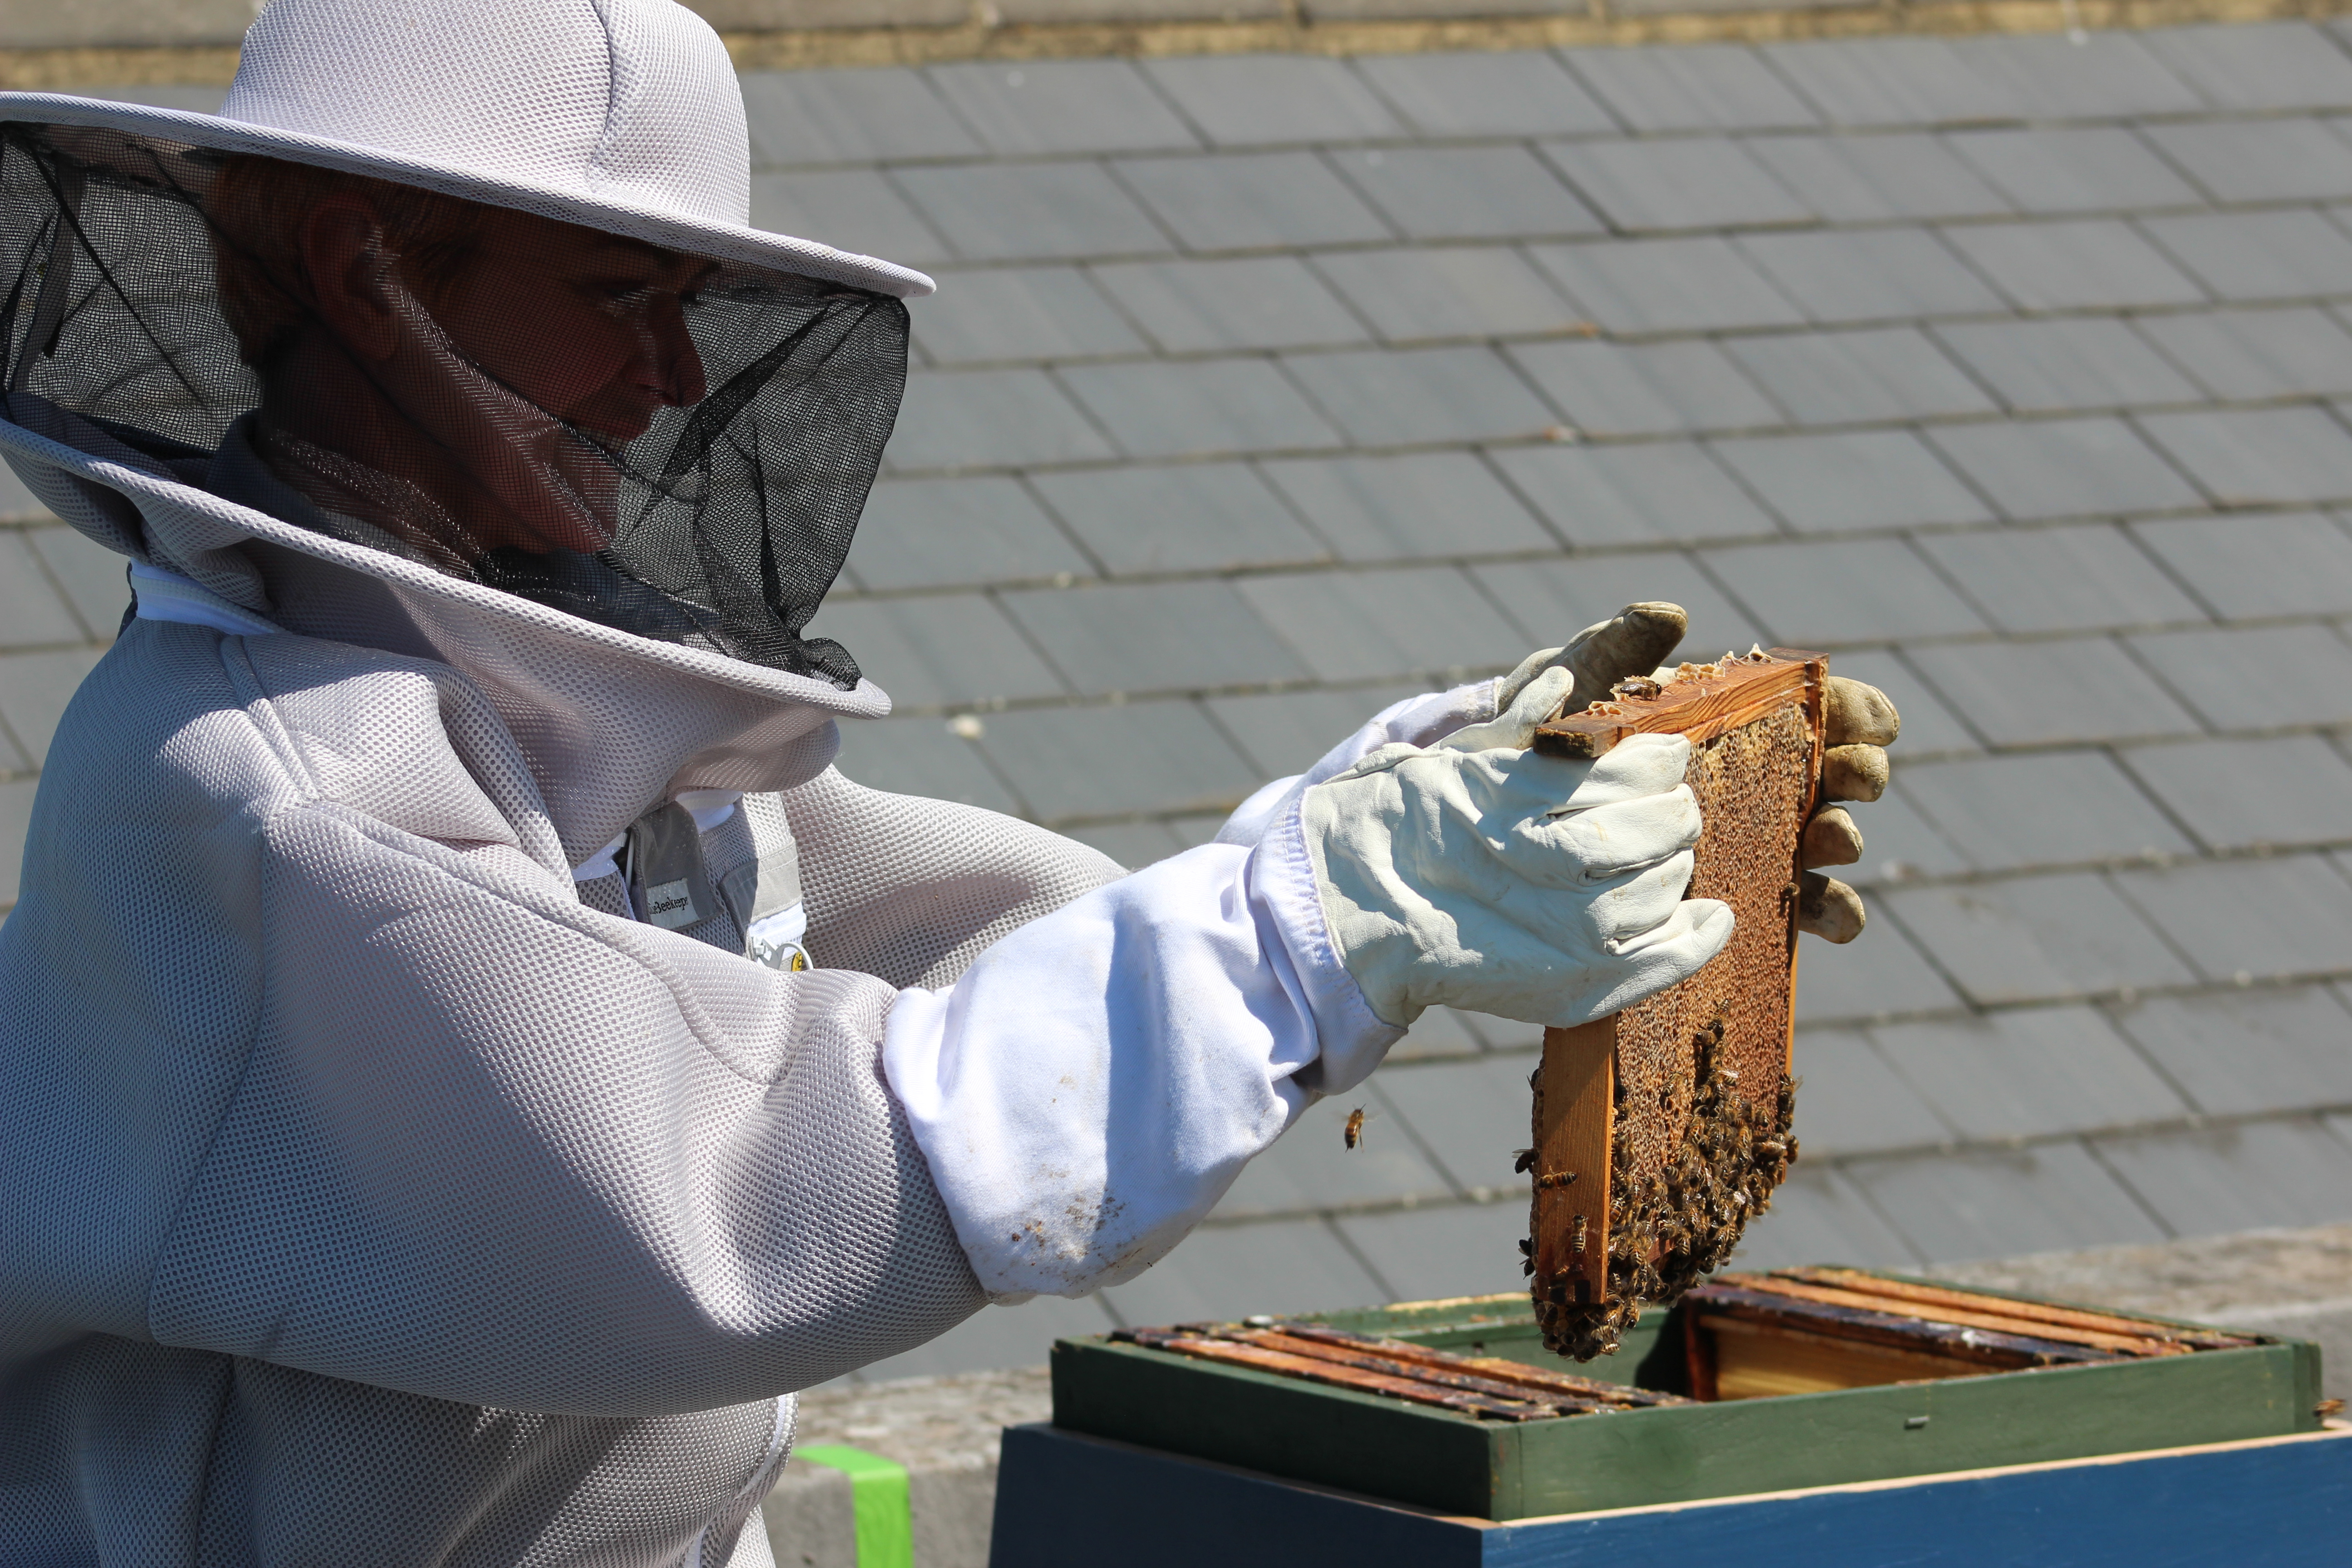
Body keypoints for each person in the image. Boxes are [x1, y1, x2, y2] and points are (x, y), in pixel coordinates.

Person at [0, 2, 1894, 1563]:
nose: (670, 377)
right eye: (611, 288)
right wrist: (1339, 913)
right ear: (363, 272)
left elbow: (1005, 968)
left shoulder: (526, 718)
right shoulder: (273, 809)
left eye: (689, 301)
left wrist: (1436, 809)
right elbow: (764, 1189)